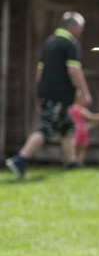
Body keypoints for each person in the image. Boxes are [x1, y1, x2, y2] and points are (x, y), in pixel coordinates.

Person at [5, 12, 93, 177]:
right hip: (58, 95)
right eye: (81, 27)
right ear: (72, 27)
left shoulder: (49, 42)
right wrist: (84, 92)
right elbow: (74, 71)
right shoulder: (70, 44)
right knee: (46, 128)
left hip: (46, 93)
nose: (81, 30)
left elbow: (40, 71)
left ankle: (72, 163)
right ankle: (20, 159)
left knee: (67, 127)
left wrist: (39, 94)